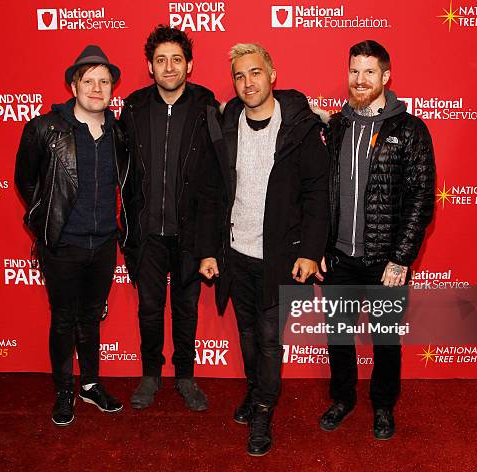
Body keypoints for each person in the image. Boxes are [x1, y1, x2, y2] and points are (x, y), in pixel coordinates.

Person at [198, 43, 329, 456]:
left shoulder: (300, 128)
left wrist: (310, 251)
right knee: (249, 333)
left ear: (272, 74)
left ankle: (262, 412)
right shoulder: (226, 123)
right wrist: (208, 250)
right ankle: (256, 392)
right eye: (239, 75)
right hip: (236, 253)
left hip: (280, 258)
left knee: (270, 340)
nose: (247, 82)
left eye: (255, 72)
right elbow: (212, 194)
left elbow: (317, 197)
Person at [316, 40, 435, 440]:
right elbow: (322, 194)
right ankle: (343, 398)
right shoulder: (337, 128)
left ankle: (383, 406)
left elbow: (421, 198)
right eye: (354, 71)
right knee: (339, 336)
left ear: (385, 76)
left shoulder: (410, 129)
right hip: (340, 259)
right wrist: (322, 249)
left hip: (387, 262)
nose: (360, 79)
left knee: (386, 341)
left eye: (369, 71)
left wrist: (401, 258)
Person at [15, 45, 125, 425]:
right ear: (73, 85)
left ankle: (90, 385)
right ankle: (64, 390)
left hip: (105, 243)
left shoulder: (119, 132)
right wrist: (45, 220)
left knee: (91, 317)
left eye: (104, 81)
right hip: (63, 245)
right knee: (63, 319)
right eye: (89, 80)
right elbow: (24, 179)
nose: (97, 88)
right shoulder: (45, 128)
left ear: (112, 88)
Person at [119, 25, 219, 411]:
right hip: (147, 233)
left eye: (176, 59)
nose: (169, 66)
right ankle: (149, 375)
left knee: (186, 308)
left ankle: (185, 377)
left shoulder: (206, 104)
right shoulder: (133, 107)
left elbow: (215, 176)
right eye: (161, 60)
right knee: (148, 307)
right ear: (150, 67)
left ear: (189, 65)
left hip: (190, 234)